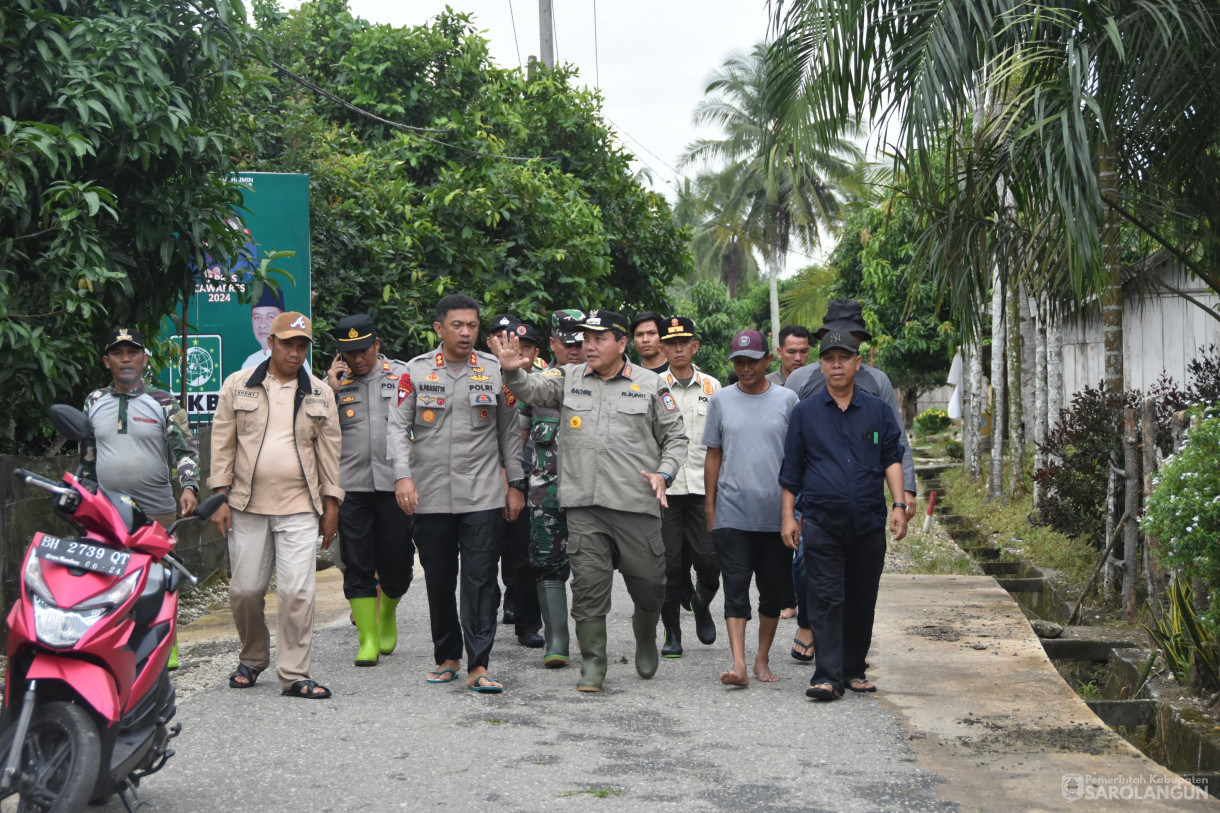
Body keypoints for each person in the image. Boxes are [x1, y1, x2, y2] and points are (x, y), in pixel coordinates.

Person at [492, 309, 688, 693]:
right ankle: (594, 664)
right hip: (584, 506)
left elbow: (676, 439)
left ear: (621, 343)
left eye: (598, 338)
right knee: (587, 587)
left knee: (650, 584)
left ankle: (646, 634)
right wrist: (513, 371)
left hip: (636, 503)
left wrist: (664, 474)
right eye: (585, 338)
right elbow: (532, 390)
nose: (588, 345)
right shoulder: (568, 377)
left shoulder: (650, 384)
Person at [387, 294, 525, 694]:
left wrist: (514, 486)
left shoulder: (496, 372)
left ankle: (478, 664)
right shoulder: (415, 371)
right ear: (438, 329)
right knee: (439, 578)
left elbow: (508, 434)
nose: (466, 333)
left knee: (481, 579)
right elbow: (398, 428)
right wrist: (402, 477)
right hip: (428, 495)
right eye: (457, 325)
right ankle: (448, 655)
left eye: (472, 326)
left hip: (482, 494)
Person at [209, 311, 343, 699]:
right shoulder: (238, 385)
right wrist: (218, 496)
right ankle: (252, 658)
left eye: (302, 345)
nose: (295, 352)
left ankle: (295, 673)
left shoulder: (320, 392)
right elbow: (222, 444)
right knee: (245, 590)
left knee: (298, 592)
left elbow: (331, 453)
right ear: (271, 343)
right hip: (247, 504)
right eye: (288, 344)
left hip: (301, 505)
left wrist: (332, 504)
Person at [784, 299, 917, 662]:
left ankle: (848, 652)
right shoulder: (802, 380)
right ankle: (808, 624)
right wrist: (786, 504)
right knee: (805, 563)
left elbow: (895, 443)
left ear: (860, 345)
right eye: (832, 340)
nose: (839, 355)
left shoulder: (878, 384)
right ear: (823, 339)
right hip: (814, 488)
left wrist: (905, 492)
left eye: (851, 339)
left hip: (863, 493)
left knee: (857, 576)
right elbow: (790, 442)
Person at [82, 326, 200, 670]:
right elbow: (87, 457)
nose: (126, 358)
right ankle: (115, 650)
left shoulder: (163, 401)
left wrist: (190, 486)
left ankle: (166, 647)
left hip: (156, 509)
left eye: (133, 352)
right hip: (106, 510)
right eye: (118, 353)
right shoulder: (93, 401)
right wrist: (83, 497)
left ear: (144, 358)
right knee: (109, 579)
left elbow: (185, 449)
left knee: (160, 577)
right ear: (107, 361)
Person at [703, 329, 798, 686]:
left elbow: (797, 458)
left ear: (767, 360)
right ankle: (739, 664)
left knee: (773, 592)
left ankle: (762, 660)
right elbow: (713, 455)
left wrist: (795, 512)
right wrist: (710, 507)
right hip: (732, 513)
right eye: (739, 361)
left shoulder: (788, 401)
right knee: (736, 588)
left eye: (752, 361)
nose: (745, 367)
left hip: (776, 516)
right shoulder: (721, 401)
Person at [326, 314, 414, 667]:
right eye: (349, 353)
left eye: (363, 351)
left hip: (396, 483)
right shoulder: (331, 384)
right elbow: (313, 431)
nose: (357, 359)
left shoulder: (405, 376)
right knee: (357, 563)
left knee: (398, 564)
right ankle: (367, 638)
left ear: (377, 345)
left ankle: (387, 611)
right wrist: (328, 394)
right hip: (352, 487)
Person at [518, 309, 586, 668]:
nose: (575, 351)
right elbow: (521, 438)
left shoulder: (599, 381)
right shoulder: (537, 384)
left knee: (591, 565)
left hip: (591, 493)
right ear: (553, 344)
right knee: (547, 563)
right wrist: (516, 482)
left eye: (581, 343)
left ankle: (591, 639)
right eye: (568, 344)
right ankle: (557, 640)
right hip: (546, 492)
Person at [657, 316, 721, 657]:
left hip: (703, 489)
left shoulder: (713, 387)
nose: (678, 348)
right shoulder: (652, 385)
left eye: (684, 342)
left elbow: (723, 440)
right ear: (663, 348)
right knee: (668, 566)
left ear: (694, 346)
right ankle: (672, 634)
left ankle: (700, 601)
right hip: (665, 491)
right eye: (671, 343)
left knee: (710, 562)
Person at [501, 320, 544, 648]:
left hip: (528, 476)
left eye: (526, 348)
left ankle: (529, 623)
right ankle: (485, 613)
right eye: (513, 346)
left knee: (525, 553)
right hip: (485, 474)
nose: (519, 354)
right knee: (485, 553)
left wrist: (516, 479)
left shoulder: (544, 383)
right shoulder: (484, 374)